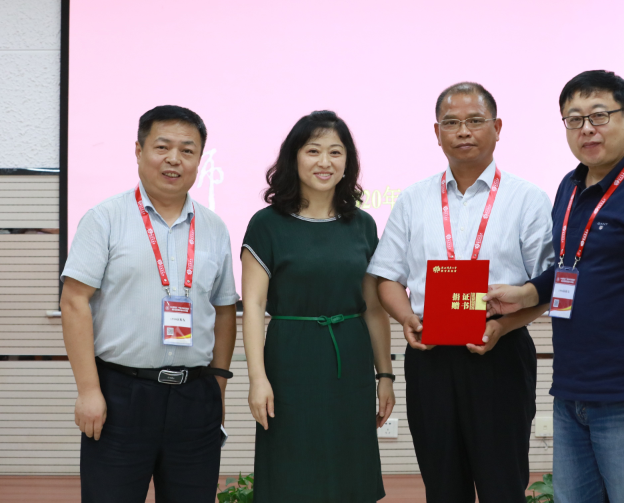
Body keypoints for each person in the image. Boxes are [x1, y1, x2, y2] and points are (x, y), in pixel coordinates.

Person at [484, 70, 624, 503]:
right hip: (571, 388)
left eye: (599, 115)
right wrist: (526, 294)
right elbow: (569, 268)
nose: (587, 129)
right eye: (574, 119)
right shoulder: (569, 186)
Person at [367, 82, 554, 503]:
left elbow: (544, 286)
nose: (463, 131)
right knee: (442, 484)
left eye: (475, 120)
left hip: (500, 350)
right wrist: (407, 317)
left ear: (497, 128)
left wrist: (502, 327)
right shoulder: (413, 199)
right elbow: (387, 277)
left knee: (503, 484)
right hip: (430, 353)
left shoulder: (527, 199)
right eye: (451, 123)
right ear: (437, 133)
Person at [60, 105, 238, 503]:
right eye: (162, 147)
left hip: (195, 397)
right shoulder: (104, 219)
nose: (174, 159)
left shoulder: (213, 227)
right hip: (121, 394)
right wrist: (88, 390)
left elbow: (225, 308)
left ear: (199, 159)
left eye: (187, 150)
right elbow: (73, 302)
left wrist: (218, 385)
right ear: (139, 151)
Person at [241, 110, 394, 503]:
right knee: (292, 471)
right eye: (313, 151)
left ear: (347, 162)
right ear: (293, 157)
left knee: (350, 469)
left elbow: (373, 308)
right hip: (290, 360)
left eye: (335, 152)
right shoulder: (266, 224)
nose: (324, 162)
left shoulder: (362, 224)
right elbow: (254, 306)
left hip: (351, 361)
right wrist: (257, 379)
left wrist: (385, 375)